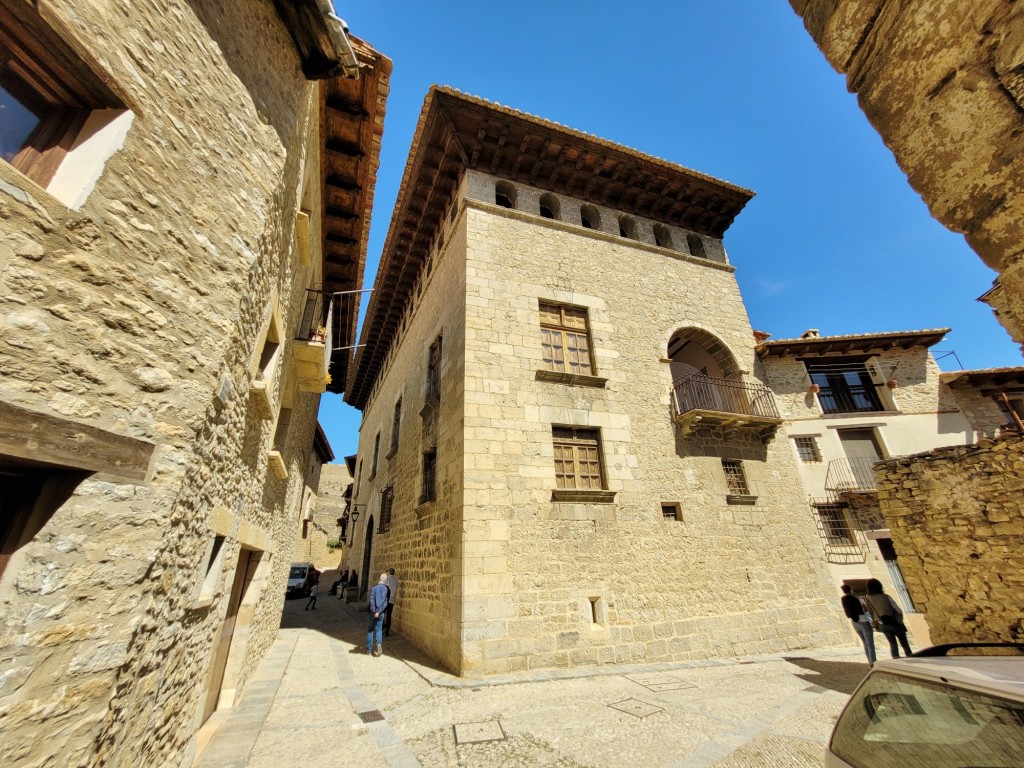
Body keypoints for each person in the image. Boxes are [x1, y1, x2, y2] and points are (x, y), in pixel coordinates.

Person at [865, 578, 912, 658]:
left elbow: (870, 611)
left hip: (882, 624)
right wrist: (900, 619)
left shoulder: (868, 598)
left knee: (892, 644)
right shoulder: (886, 597)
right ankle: (911, 658)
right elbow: (898, 610)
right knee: (905, 644)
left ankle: (896, 659)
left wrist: (875, 620)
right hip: (894, 622)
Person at [840, 584, 875, 665]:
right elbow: (866, 609)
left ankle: (870, 661)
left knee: (865, 643)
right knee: (870, 643)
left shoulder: (843, 599)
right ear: (851, 590)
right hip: (863, 621)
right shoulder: (857, 599)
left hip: (854, 622)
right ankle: (873, 662)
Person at [367, 573, 389, 656]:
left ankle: (369, 649)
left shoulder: (374, 588)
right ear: (385, 580)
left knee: (370, 630)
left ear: (379, 579)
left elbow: (372, 601)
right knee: (379, 629)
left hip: (373, 613)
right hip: (381, 613)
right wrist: (379, 612)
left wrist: (374, 611)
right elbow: (385, 602)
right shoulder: (385, 589)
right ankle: (379, 644)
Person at [384, 568, 399, 637]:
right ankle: (387, 628)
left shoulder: (388, 579)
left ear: (389, 572)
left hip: (387, 599)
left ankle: (383, 627)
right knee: (389, 615)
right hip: (392, 600)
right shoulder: (396, 580)